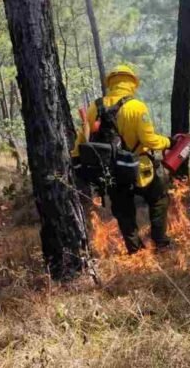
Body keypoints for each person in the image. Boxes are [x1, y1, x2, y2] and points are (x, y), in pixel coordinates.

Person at [72, 64, 173, 254]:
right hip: (138, 169)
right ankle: (161, 242)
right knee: (158, 198)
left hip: (109, 171)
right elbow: (149, 140)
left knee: (124, 211)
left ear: (110, 83)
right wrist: (168, 142)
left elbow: (81, 139)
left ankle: (135, 251)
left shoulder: (95, 106)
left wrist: (77, 161)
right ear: (132, 83)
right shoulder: (136, 106)